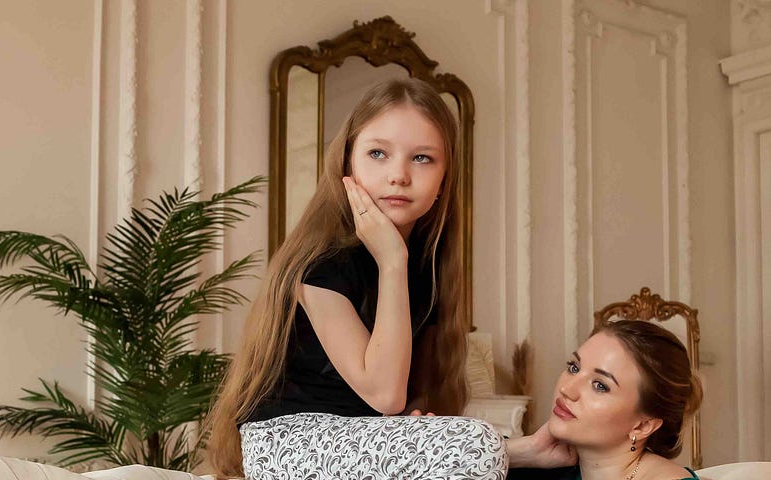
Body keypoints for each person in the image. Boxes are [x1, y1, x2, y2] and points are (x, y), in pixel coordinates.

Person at [203, 78, 575, 479]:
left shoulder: (428, 266)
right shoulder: (321, 264)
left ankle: (520, 453)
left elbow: (403, 399)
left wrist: (419, 420)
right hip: (286, 439)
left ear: (444, 178)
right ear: (348, 164)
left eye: (422, 159)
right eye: (378, 153)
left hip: (361, 436)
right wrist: (392, 260)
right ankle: (516, 450)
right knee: (483, 447)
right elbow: (383, 392)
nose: (398, 175)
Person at [523, 320, 703, 480]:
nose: (566, 389)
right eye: (574, 368)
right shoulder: (538, 466)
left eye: (600, 385)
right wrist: (525, 450)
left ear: (643, 426)